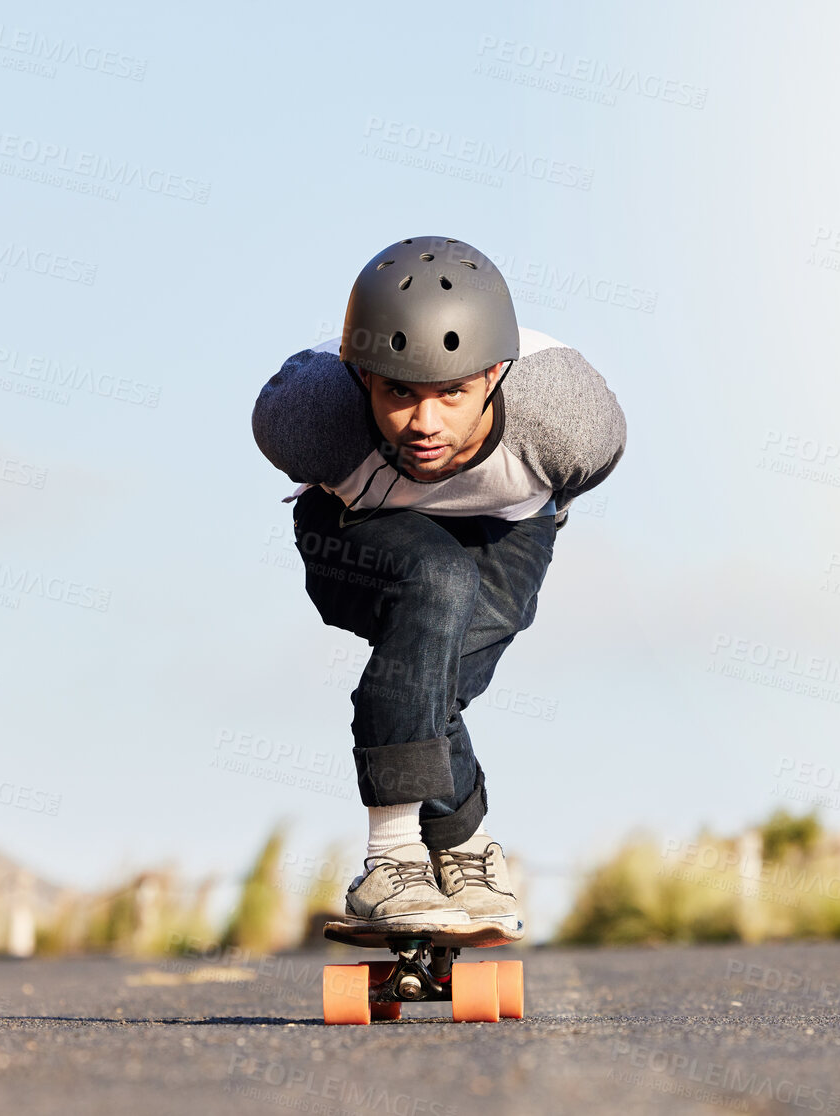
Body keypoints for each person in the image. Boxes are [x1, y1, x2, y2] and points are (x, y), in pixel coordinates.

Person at [251, 235, 626, 937]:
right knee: (435, 580)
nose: (424, 425)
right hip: (357, 527)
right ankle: (391, 861)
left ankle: (459, 844)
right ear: (361, 377)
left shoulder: (569, 425)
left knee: (432, 683)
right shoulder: (310, 418)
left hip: (506, 530)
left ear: (493, 376)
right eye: (398, 394)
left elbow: (556, 500)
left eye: (451, 394)